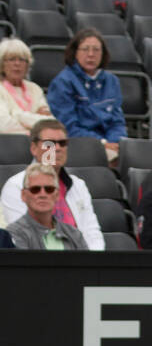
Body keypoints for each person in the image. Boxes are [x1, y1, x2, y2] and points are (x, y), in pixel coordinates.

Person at [0, 119, 105, 251]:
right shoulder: (16, 185)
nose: (58, 148)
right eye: (50, 144)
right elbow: (20, 235)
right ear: (34, 148)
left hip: (81, 261)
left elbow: (92, 233)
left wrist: (94, 264)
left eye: (62, 143)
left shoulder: (79, 185)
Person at [45, 30, 126, 165]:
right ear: (75, 52)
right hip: (78, 143)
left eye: (96, 50)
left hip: (110, 143)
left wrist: (115, 141)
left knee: (136, 157)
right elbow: (67, 126)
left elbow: (117, 121)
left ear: (103, 54)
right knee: (113, 160)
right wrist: (103, 143)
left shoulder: (112, 81)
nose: (91, 54)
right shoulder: (63, 82)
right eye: (85, 49)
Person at [6, 164, 89, 250]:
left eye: (49, 189)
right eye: (35, 189)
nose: (42, 194)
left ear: (57, 195)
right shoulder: (12, 233)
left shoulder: (74, 234)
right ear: (23, 195)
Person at [0, 39, 52, 134]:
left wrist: (18, 116)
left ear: (28, 65)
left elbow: (49, 122)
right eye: (11, 59)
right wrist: (34, 121)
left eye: (22, 59)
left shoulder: (35, 89)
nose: (17, 64)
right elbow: (4, 126)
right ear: (2, 65)